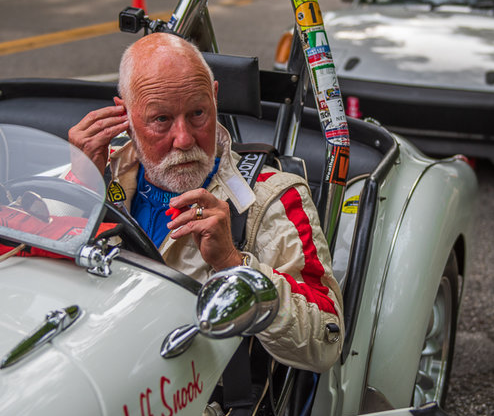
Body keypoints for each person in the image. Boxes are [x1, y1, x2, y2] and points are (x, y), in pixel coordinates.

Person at [68, 32, 343, 374]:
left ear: (215, 97)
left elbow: (326, 343)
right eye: (161, 119)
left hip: (196, 400)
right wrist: (79, 189)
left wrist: (234, 264)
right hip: (91, 366)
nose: (183, 139)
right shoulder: (95, 169)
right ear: (124, 114)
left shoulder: (271, 196)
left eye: (197, 113)